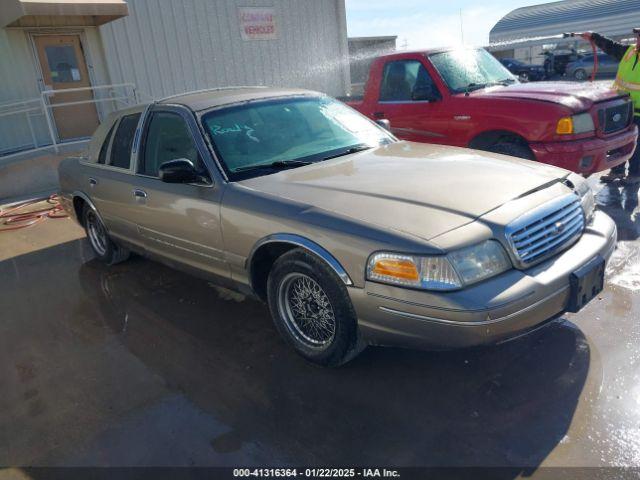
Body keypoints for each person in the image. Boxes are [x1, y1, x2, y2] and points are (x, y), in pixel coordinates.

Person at [578, 30, 640, 184]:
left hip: (638, 110)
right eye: (638, 36)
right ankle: (617, 170)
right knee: (617, 142)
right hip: (620, 107)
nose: (637, 40)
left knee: (637, 145)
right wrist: (594, 36)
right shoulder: (630, 51)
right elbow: (610, 46)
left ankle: (635, 174)